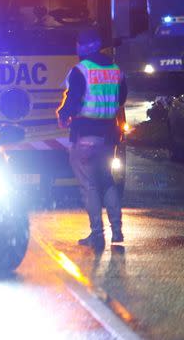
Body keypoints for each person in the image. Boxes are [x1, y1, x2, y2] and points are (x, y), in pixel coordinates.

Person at [57, 28, 128, 250]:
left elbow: (74, 97)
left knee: (88, 185)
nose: (76, 47)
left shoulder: (81, 71)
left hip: (86, 135)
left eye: (78, 43)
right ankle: (117, 231)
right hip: (108, 135)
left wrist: (63, 115)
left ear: (84, 46)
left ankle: (97, 234)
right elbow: (122, 97)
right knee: (107, 181)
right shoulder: (116, 70)